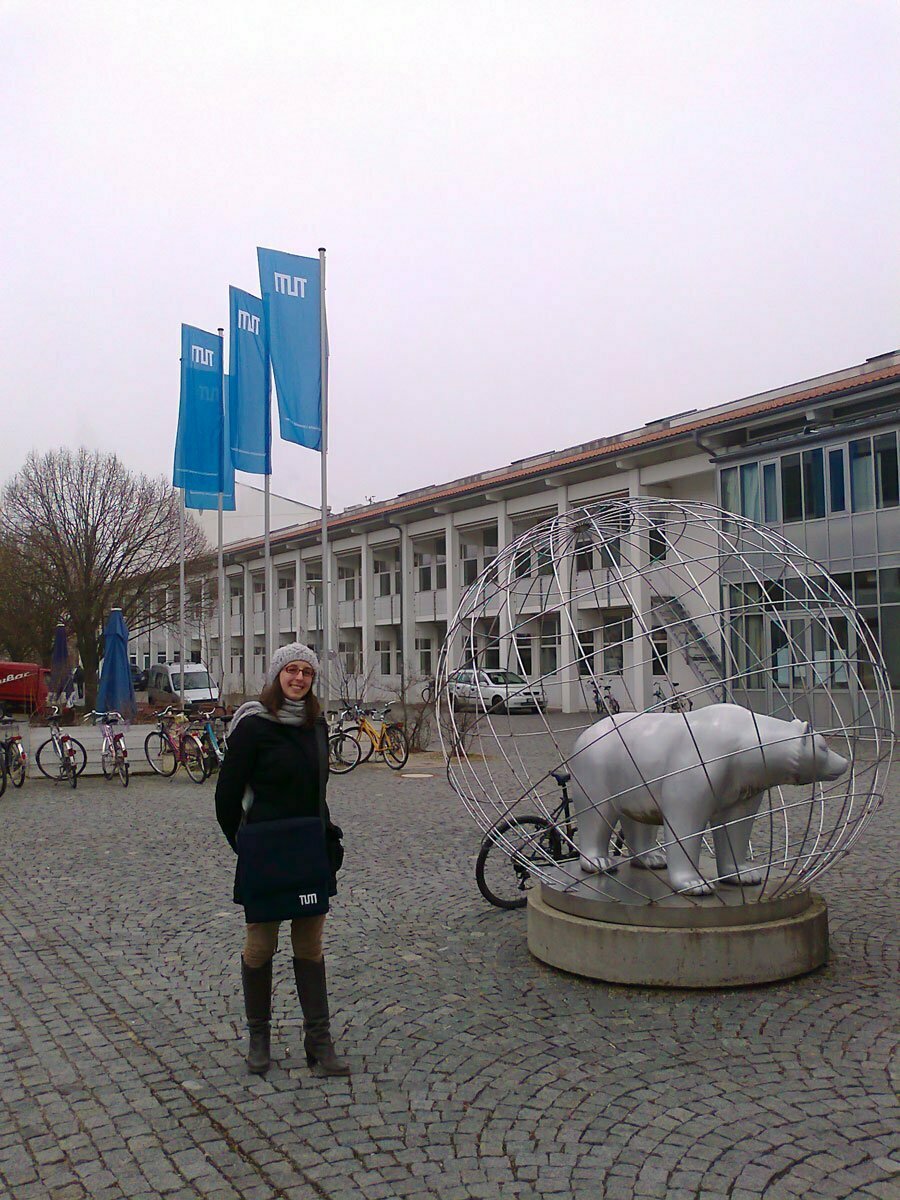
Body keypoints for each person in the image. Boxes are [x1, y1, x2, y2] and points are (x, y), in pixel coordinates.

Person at [215, 643, 349, 1077]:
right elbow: (226, 798)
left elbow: (319, 793)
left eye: (306, 672)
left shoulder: (316, 726)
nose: (298, 679)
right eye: (290, 670)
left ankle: (319, 1042)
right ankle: (258, 1038)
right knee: (260, 944)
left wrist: (327, 842)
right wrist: (247, 846)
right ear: (276, 676)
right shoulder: (253, 727)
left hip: (308, 848)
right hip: (267, 853)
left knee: (309, 945)